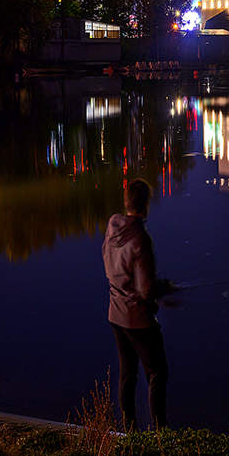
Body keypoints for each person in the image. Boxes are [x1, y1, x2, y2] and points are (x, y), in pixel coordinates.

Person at [102, 178, 171, 430]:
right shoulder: (141, 239)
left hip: (115, 313)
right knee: (157, 372)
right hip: (137, 318)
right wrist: (163, 289)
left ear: (126, 201)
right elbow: (145, 289)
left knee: (127, 373)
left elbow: (113, 268)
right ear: (145, 205)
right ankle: (160, 433)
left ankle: (129, 430)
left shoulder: (112, 226)